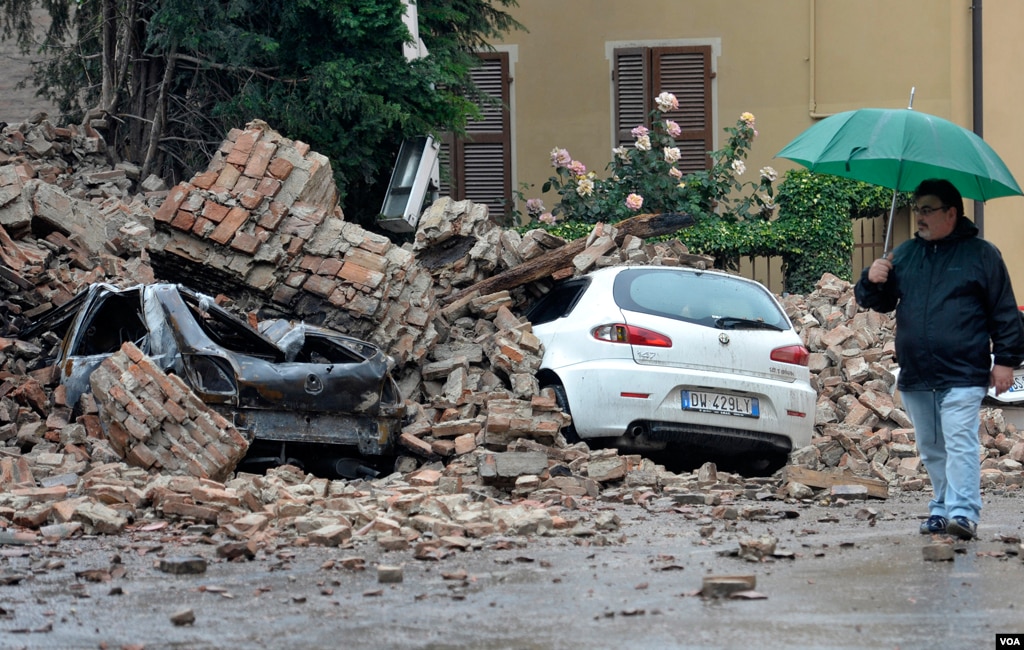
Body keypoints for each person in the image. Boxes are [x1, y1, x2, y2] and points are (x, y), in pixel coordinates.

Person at [855, 178, 1024, 540]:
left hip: (964, 371)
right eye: (917, 209)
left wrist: (1006, 360)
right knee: (932, 446)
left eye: (927, 209)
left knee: (960, 439)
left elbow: (1005, 312)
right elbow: (879, 302)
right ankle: (942, 507)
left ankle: (963, 513)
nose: (920, 216)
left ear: (951, 213)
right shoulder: (904, 255)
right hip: (918, 372)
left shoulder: (982, 254)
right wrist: (872, 279)